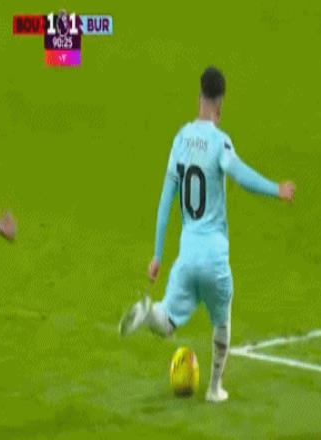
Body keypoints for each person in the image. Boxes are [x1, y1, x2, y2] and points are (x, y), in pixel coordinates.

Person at [119, 66, 296, 402]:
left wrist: (157, 254)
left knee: (167, 321)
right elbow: (239, 174)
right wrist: (276, 189)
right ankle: (215, 389)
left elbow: (165, 201)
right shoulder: (220, 142)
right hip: (214, 255)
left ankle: (148, 313)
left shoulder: (180, 139)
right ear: (221, 104)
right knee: (221, 320)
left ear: (199, 96)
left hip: (187, 255)